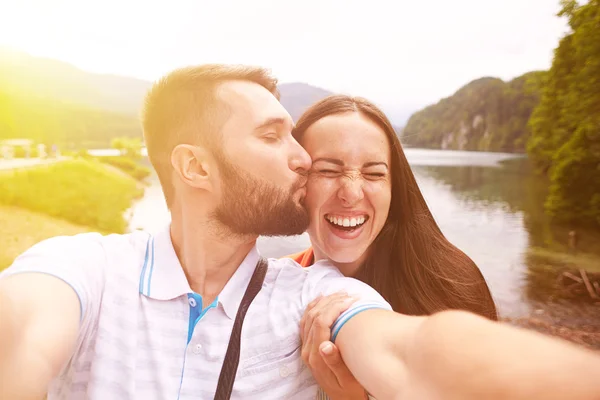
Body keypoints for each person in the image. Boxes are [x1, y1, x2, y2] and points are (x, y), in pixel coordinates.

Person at [1, 64, 600, 400]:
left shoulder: (315, 298)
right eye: (272, 137)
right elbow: (21, 332)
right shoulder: (84, 269)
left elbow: (421, 352)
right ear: (195, 167)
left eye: (373, 172)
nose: (302, 161)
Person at [286, 95, 497, 399]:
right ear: (296, 183)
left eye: (374, 174)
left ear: (394, 189)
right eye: (328, 171)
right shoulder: (277, 286)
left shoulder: (452, 284)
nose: (351, 193)